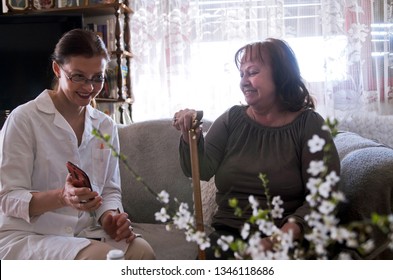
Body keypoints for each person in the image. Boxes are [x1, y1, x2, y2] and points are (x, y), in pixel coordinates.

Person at [172, 38, 340, 259]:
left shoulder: (309, 126)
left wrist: (276, 240)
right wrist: (188, 135)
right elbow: (201, 169)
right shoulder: (232, 119)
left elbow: (325, 198)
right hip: (229, 234)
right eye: (242, 74)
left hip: (287, 236)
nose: (244, 82)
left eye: (252, 72)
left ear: (280, 75)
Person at [0, 29, 155, 260]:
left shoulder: (105, 126)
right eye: (78, 76)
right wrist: (62, 197)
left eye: (97, 77)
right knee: (104, 260)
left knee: (143, 252)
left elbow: (110, 190)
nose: (89, 87)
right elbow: (7, 197)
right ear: (57, 70)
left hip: (83, 233)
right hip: (28, 235)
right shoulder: (24, 119)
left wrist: (110, 218)